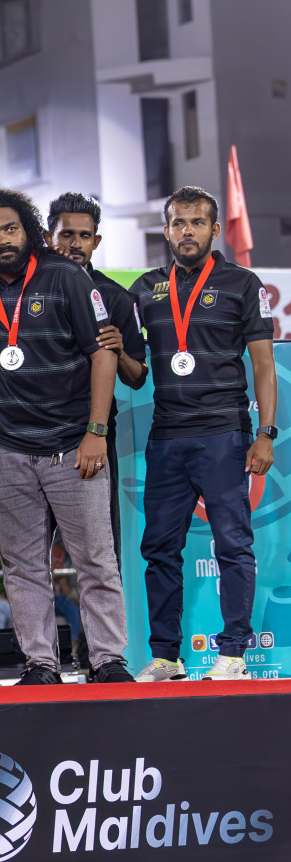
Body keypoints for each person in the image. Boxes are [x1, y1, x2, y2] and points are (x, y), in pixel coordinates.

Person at [0, 188, 130, 685]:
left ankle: (108, 659)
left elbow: (103, 354)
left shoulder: (65, 276)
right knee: (23, 566)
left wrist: (96, 431)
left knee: (95, 557)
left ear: (28, 230)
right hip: (4, 449)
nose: (2, 240)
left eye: (10, 229)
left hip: (74, 446)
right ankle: (41, 664)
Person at [131, 186, 276, 682]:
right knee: (158, 550)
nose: (186, 231)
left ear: (215, 230)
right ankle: (167, 657)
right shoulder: (146, 288)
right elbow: (132, 367)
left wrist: (267, 433)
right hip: (166, 436)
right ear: (166, 229)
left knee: (232, 544)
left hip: (224, 434)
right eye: (177, 222)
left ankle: (233, 653)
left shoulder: (241, 282)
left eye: (197, 222)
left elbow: (264, 366)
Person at [46, 192, 150, 574]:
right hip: (27, 441)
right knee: (27, 562)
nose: (75, 243)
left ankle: (99, 639)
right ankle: (42, 638)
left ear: (97, 240)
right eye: (66, 233)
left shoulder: (116, 298)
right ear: (47, 236)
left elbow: (137, 377)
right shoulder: (23, 291)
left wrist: (121, 352)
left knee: (101, 558)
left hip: (90, 440)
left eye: (85, 236)